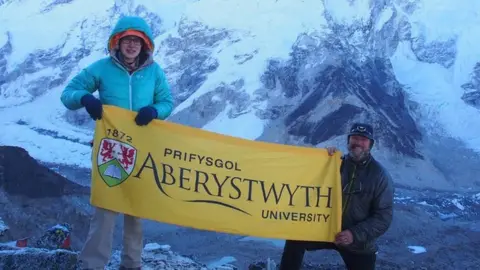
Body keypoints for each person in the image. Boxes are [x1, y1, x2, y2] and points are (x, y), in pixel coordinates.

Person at [60, 15, 174, 270]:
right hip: (109, 148)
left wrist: (155, 111)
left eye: (137, 40)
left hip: (143, 149)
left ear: (145, 44)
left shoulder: (154, 72)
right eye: (126, 40)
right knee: (105, 211)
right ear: (117, 42)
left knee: (136, 211)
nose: (131, 45)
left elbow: (166, 102)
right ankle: (92, 265)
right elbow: (68, 94)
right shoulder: (101, 68)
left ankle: (131, 264)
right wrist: (85, 99)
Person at [279, 123, 394, 270]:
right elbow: (307, 182)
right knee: (295, 238)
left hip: (357, 241)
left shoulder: (380, 176)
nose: (358, 142)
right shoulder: (336, 163)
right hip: (325, 230)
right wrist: (323, 158)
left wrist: (354, 234)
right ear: (348, 141)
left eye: (363, 139)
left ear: (371, 144)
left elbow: (383, 217)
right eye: (355, 138)